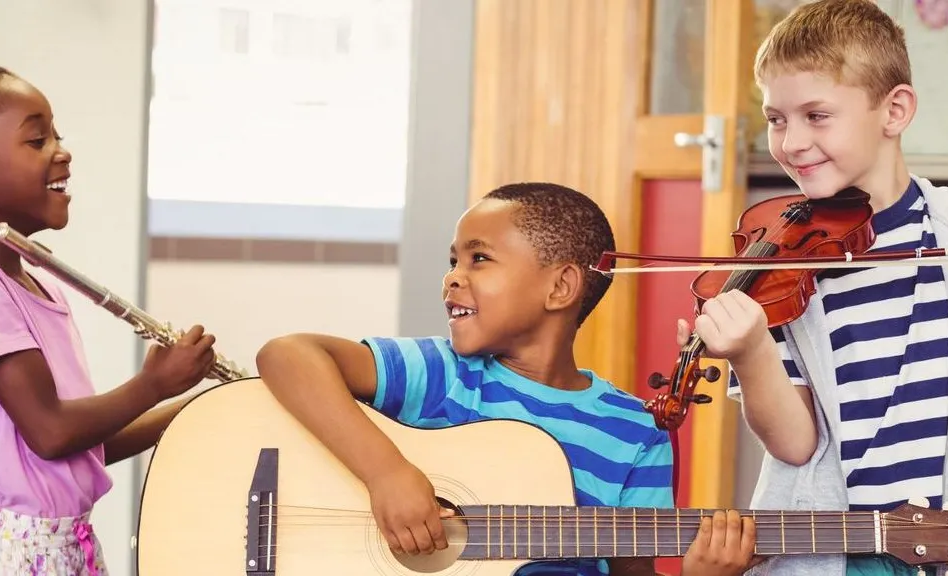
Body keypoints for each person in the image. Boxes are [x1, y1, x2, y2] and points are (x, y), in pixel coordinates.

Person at [256, 182, 757, 576]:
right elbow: (288, 354)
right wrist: (386, 473)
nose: (453, 276)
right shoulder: (441, 374)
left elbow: (631, 569)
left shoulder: (634, 431)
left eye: (479, 258)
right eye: (453, 260)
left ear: (560, 287)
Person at [673, 1, 948, 575]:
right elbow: (796, 445)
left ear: (893, 110)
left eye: (816, 116)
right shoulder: (776, 262)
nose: (792, 142)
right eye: (776, 119)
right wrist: (750, 352)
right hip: (832, 551)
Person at [0, 60, 218, 575]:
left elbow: (81, 448)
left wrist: (196, 407)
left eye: (56, 137)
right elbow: (51, 433)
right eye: (36, 140)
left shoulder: (36, 283)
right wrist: (154, 383)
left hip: (70, 544)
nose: (62, 152)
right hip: (18, 555)